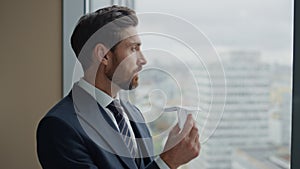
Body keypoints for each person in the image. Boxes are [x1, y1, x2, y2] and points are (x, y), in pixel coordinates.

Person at [37, 5, 200, 169]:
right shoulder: (60, 127)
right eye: (133, 48)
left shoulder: (134, 114)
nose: (143, 60)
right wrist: (167, 162)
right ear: (103, 55)